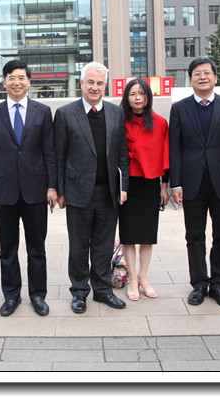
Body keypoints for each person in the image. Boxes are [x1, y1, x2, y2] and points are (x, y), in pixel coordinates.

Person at [0, 60, 57, 317]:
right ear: (4, 82)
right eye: (11, 78)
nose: (16, 82)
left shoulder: (42, 112)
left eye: (21, 78)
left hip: (36, 190)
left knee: (37, 248)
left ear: (28, 82)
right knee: (7, 249)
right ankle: (11, 295)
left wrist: (52, 186)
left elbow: (49, 152)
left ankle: (38, 295)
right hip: (3, 191)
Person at [169, 57, 220, 309]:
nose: (202, 77)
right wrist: (175, 184)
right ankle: (199, 284)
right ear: (190, 80)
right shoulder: (180, 109)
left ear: (215, 78)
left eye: (207, 73)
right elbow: (175, 149)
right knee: (194, 237)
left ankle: (219, 284)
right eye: (197, 74)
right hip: (192, 183)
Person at [54, 62, 130, 314]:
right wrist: (60, 190)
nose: (95, 87)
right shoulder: (65, 113)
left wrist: (123, 186)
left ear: (105, 85)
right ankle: (79, 291)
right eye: (90, 82)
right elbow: (59, 155)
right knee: (78, 246)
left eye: (99, 83)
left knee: (104, 244)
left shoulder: (116, 113)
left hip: (108, 192)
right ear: (81, 83)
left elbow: (122, 155)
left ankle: (103, 289)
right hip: (77, 191)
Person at [118, 78, 169, 301]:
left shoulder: (160, 123)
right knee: (128, 235)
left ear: (148, 96)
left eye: (142, 93)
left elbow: (166, 155)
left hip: (150, 183)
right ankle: (132, 279)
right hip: (126, 184)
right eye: (132, 94)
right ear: (126, 98)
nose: (137, 98)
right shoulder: (119, 120)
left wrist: (164, 186)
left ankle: (144, 277)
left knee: (147, 235)